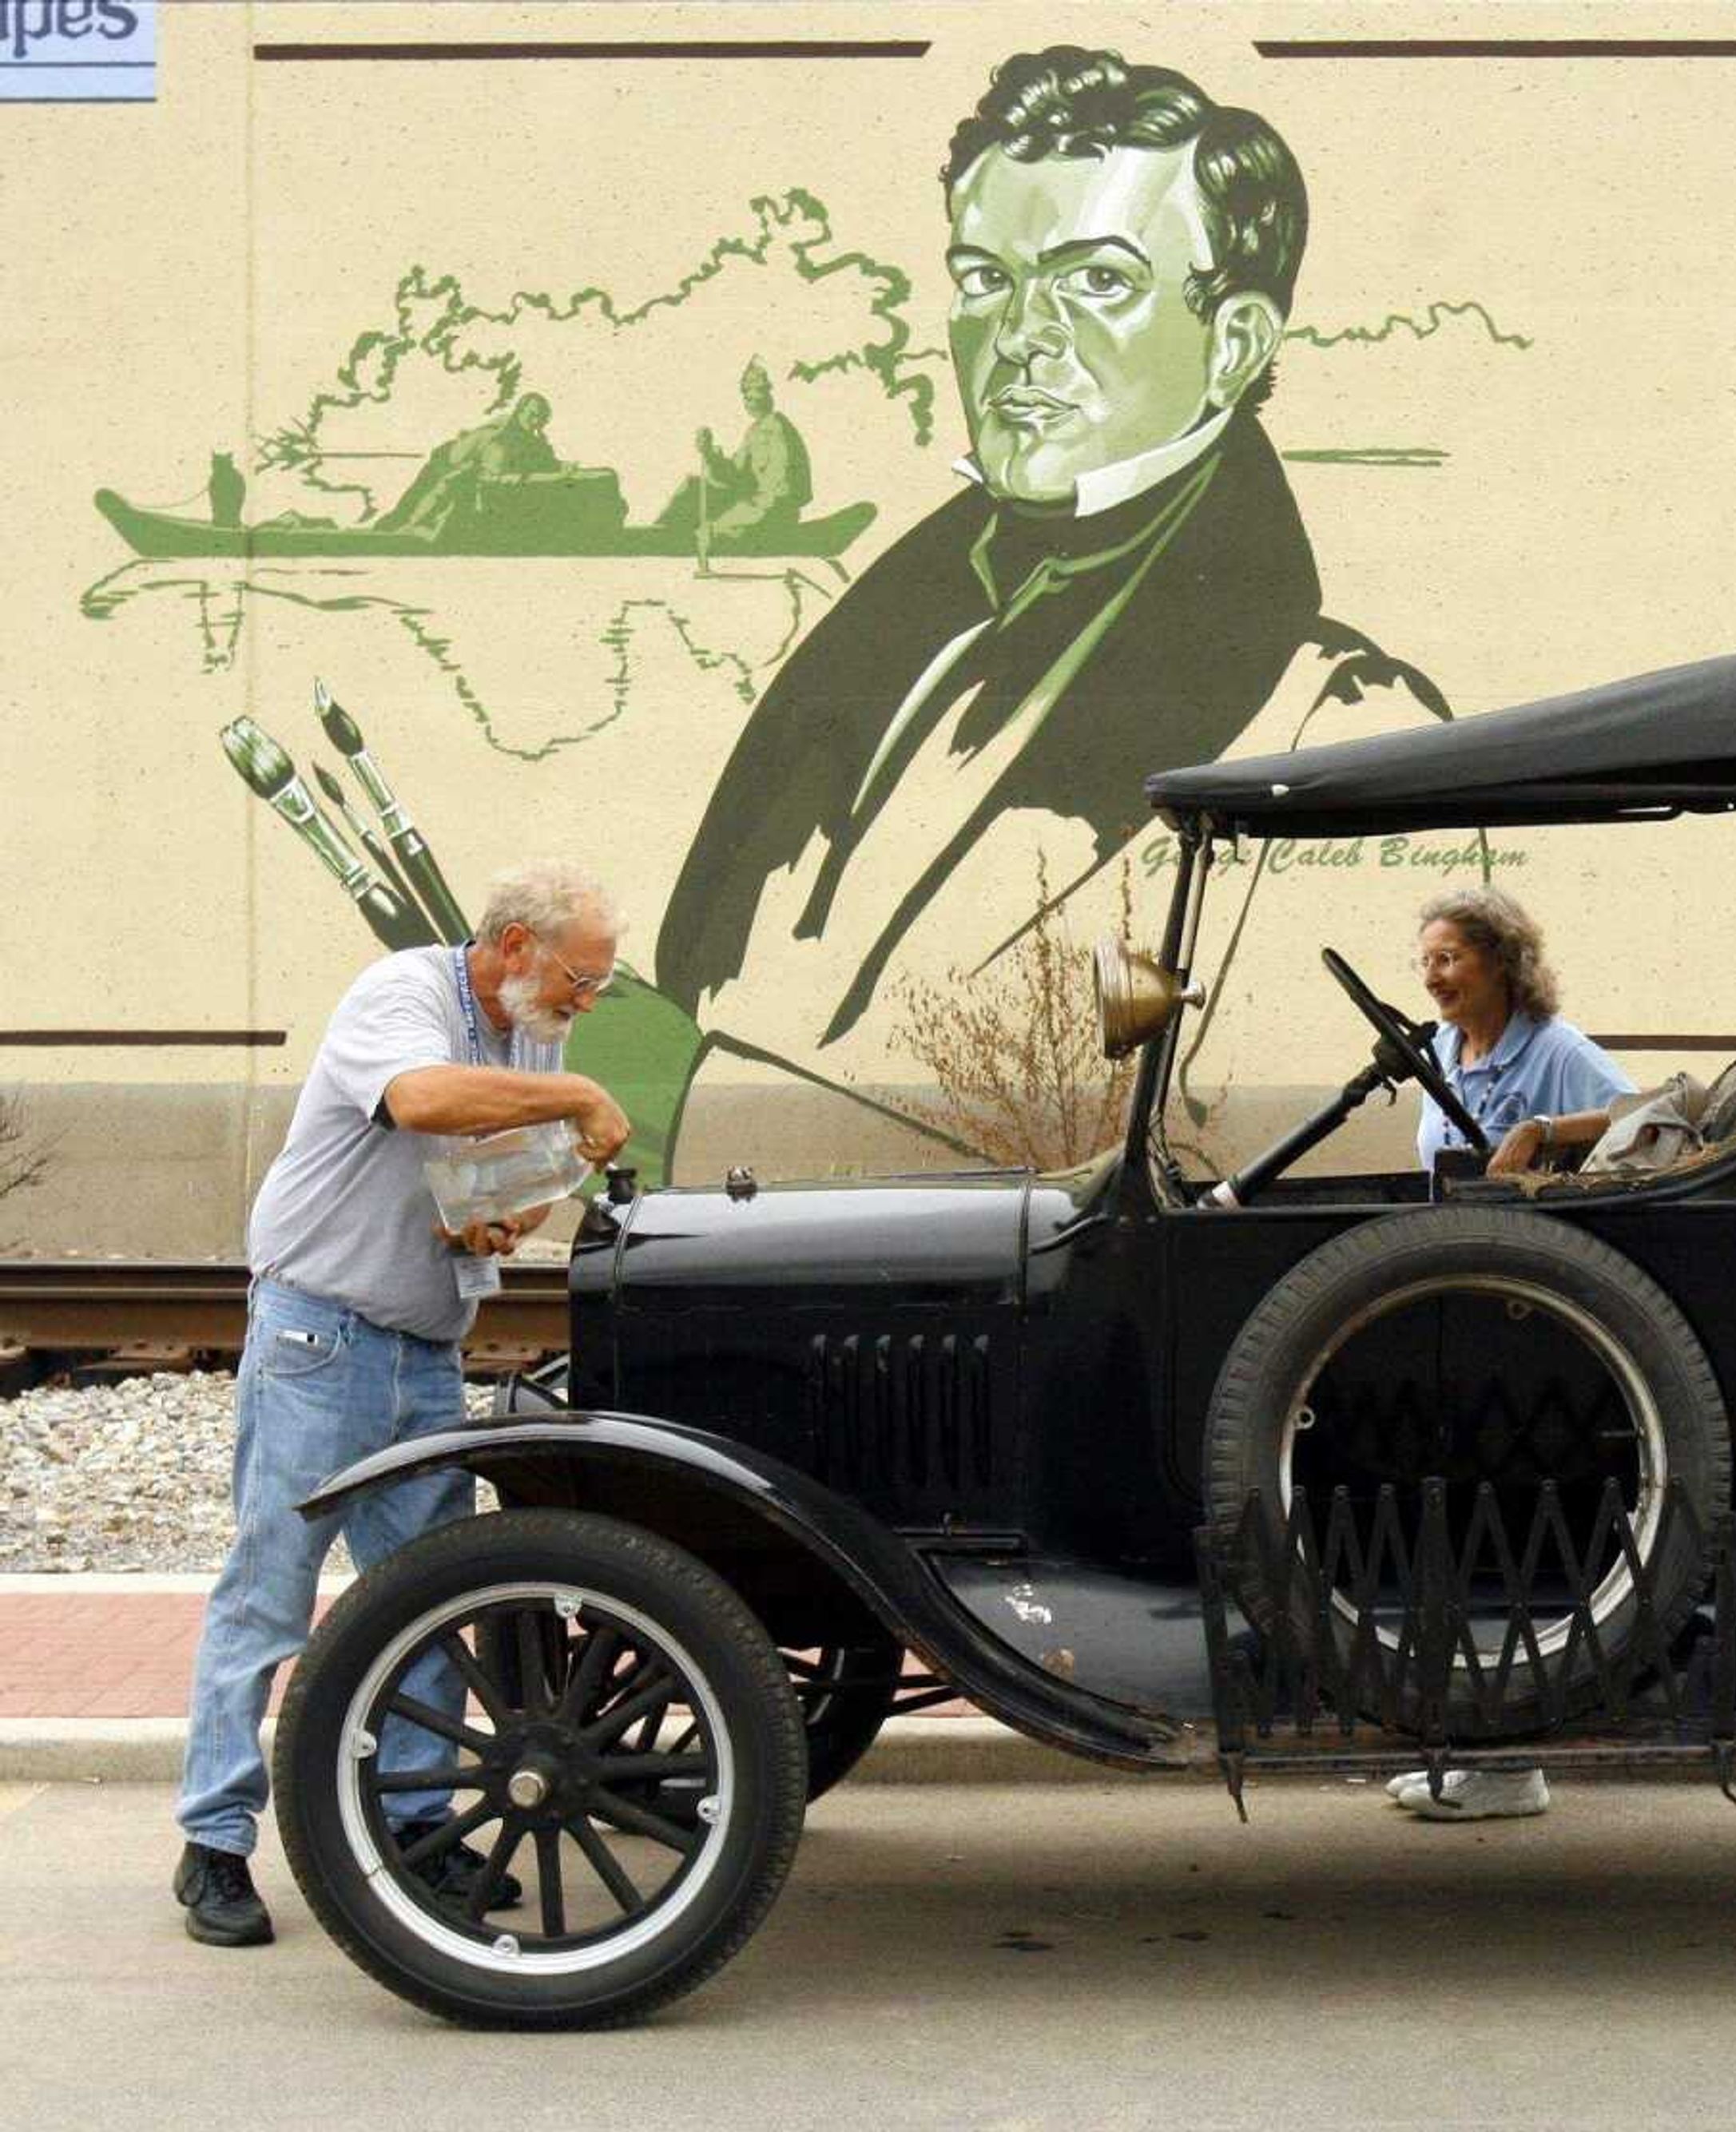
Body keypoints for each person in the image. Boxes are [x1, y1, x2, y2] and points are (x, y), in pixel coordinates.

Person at [650, 44, 1447, 1082]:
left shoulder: (1334, 725)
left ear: (1236, 341)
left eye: (1098, 281)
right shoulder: (909, 620)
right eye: (987, 279)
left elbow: (1275, 1112)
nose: (1021, 334)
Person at [172, 862, 634, 1947]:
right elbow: (420, 1098)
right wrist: (575, 1098)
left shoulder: (532, 1027)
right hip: (320, 1335)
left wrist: (500, 1215)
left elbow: (480, 1157)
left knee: (432, 1602)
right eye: (581, 978)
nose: (585, 1004)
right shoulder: (402, 994)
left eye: (597, 987)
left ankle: (421, 1830)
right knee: (269, 1592)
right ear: (514, 946)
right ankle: (215, 1841)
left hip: (424, 1347)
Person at [1385, 885, 1632, 1823]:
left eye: (1450, 957)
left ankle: (1511, 1763)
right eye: (1429, 958)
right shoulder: (1446, 1051)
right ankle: (1470, 1747)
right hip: (1461, 1305)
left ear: (1500, 963)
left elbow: (1654, 1119)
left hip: (1538, 1320)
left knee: (1510, 1531)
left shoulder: (1554, 1051)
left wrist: (1545, 1131)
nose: (1434, 974)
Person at [655, 357, 812, 543]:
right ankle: (657, 536)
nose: (748, 400)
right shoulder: (755, 431)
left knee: (712, 530)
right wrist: (710, 456)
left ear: (767, 395)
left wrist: (720, 526)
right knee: (692, 487)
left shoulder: (778, 431)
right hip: (753, 505)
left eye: (753, 393)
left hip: (771, 513)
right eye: (745, 394)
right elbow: (736, 475)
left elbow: (780, 495)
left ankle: (672, 541)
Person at [372, 394, 564, 538]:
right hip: (447, 464)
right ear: (520, 412)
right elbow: (495, 473)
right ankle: (408, 528)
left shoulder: (532, 438)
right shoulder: (499, 440)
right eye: (532, 415)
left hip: (470, 467)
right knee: (422, 502)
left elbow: (545, 462)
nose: (536, 421)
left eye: (541, 417)